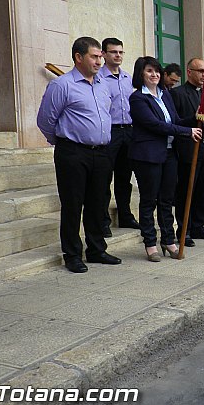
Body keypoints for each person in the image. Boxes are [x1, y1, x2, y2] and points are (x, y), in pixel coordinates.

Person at [37, 36, 121, 273]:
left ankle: (96, 249)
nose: (99, 61)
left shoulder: (102, 85)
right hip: (73, 153)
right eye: (94, 56)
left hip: (102, 153)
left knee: (97, 203)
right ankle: (72, 254)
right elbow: (45, 120)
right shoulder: (62, 85)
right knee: (73, 205)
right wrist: (64, 143)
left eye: (100, 57)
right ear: (78, 57)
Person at [128, 56, 203, 262]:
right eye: (149, 71)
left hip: (170, 154)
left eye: (157, 71)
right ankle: (150, 243)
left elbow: (176, 121)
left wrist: (195, 117)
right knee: (149, 200)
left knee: (167, 199)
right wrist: (187, 131)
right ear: (141, 74)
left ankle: (168, 239)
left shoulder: (165, 95)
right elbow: (156, 125)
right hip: (148, 156)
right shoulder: (138, 98)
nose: (155, 75)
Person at [170, 58, 204, 246]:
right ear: (189, 72)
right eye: (200, 71)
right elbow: (176, 121)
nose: (203, 75)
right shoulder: (177, 94)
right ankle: (185, 230)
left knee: (203, 190)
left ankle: (199, 226)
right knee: (185, 191)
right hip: (189, 148)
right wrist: (193, 118)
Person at [99, 38, 140, 237]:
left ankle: (125, 215)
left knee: (124, 177)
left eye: (121, 52)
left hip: (128, 131)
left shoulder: (127, 78)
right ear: (104, 54)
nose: (118, 56)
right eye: (113, 52)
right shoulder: (98, 78)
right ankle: (103, 221)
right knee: (105, 177)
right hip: (110, 132)